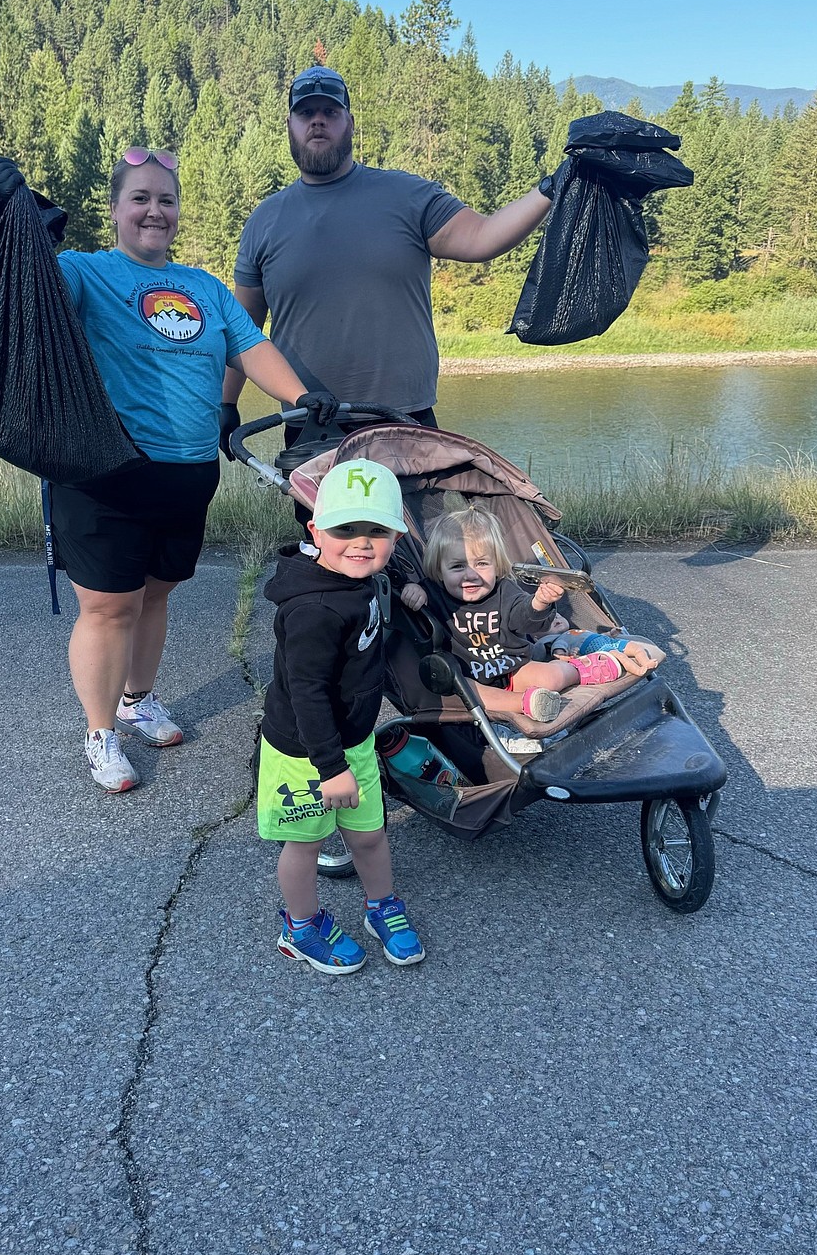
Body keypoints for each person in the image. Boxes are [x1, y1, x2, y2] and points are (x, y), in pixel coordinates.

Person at [35, 146, 337, 793]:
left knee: (155, 593)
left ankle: (137, 699)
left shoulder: (204, 287)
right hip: (106, 474)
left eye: (165, 199)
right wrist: (20, 233)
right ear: (114, 210)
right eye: (139, 198)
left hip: (188, 473)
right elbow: (35, 291)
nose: (154, 210)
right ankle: (100, 733)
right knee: (110, 607)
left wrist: (300, 398)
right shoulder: (85, 272)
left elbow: (251, 347)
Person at [220, 64, 555, 455]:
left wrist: (552, 187)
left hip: (406, 422)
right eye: (305, 113)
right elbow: (242, 331)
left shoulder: (409, 196)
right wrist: (225, 404)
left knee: (416, 519)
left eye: (330, 112)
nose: (317, 122)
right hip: (309, 426)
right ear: (290, 125)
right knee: (321, 522)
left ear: (350, 122)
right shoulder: (264, 220)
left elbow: (483, 237)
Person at [258, 458, 426, 975]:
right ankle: (300, 926)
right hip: (307, 753)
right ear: (315, 531)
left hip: (352, 740)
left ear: (396, 537)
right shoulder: (313, 611)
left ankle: (382, 907)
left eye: (377, 530)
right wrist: (330, 768)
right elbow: (307, 695)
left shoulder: (362, 579)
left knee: (369, 834)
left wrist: (403, 587)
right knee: (305, 843)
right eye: (344, 529)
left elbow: (377, 575)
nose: (361, 542)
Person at [400, 506, 665, 728]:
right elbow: (417, 602)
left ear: (497, 565)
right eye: (458, 566)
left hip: (513, 668)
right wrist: (414, 589)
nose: (470, 575)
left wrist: (539, 602)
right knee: (466, 691)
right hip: (470, 676)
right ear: (439, 569)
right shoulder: (433, 593)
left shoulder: (504, 591)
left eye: (481, 564)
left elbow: (525, 619)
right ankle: (529, 702)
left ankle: (584, 666)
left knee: (550, 677)